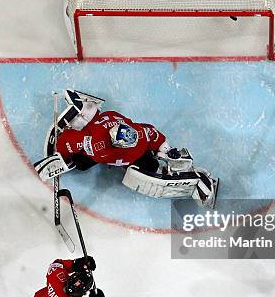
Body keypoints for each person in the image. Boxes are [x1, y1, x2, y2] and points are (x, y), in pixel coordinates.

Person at [35, 89, 218, 208]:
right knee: (82, 163)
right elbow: (70, 141)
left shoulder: (141, 133)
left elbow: (156, 137)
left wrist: (166, 151)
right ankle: (83, 110)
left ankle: (194, 177)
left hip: (128, 150)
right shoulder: (97, 144)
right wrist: (60, 154)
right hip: (102, 139)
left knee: (151, 166)